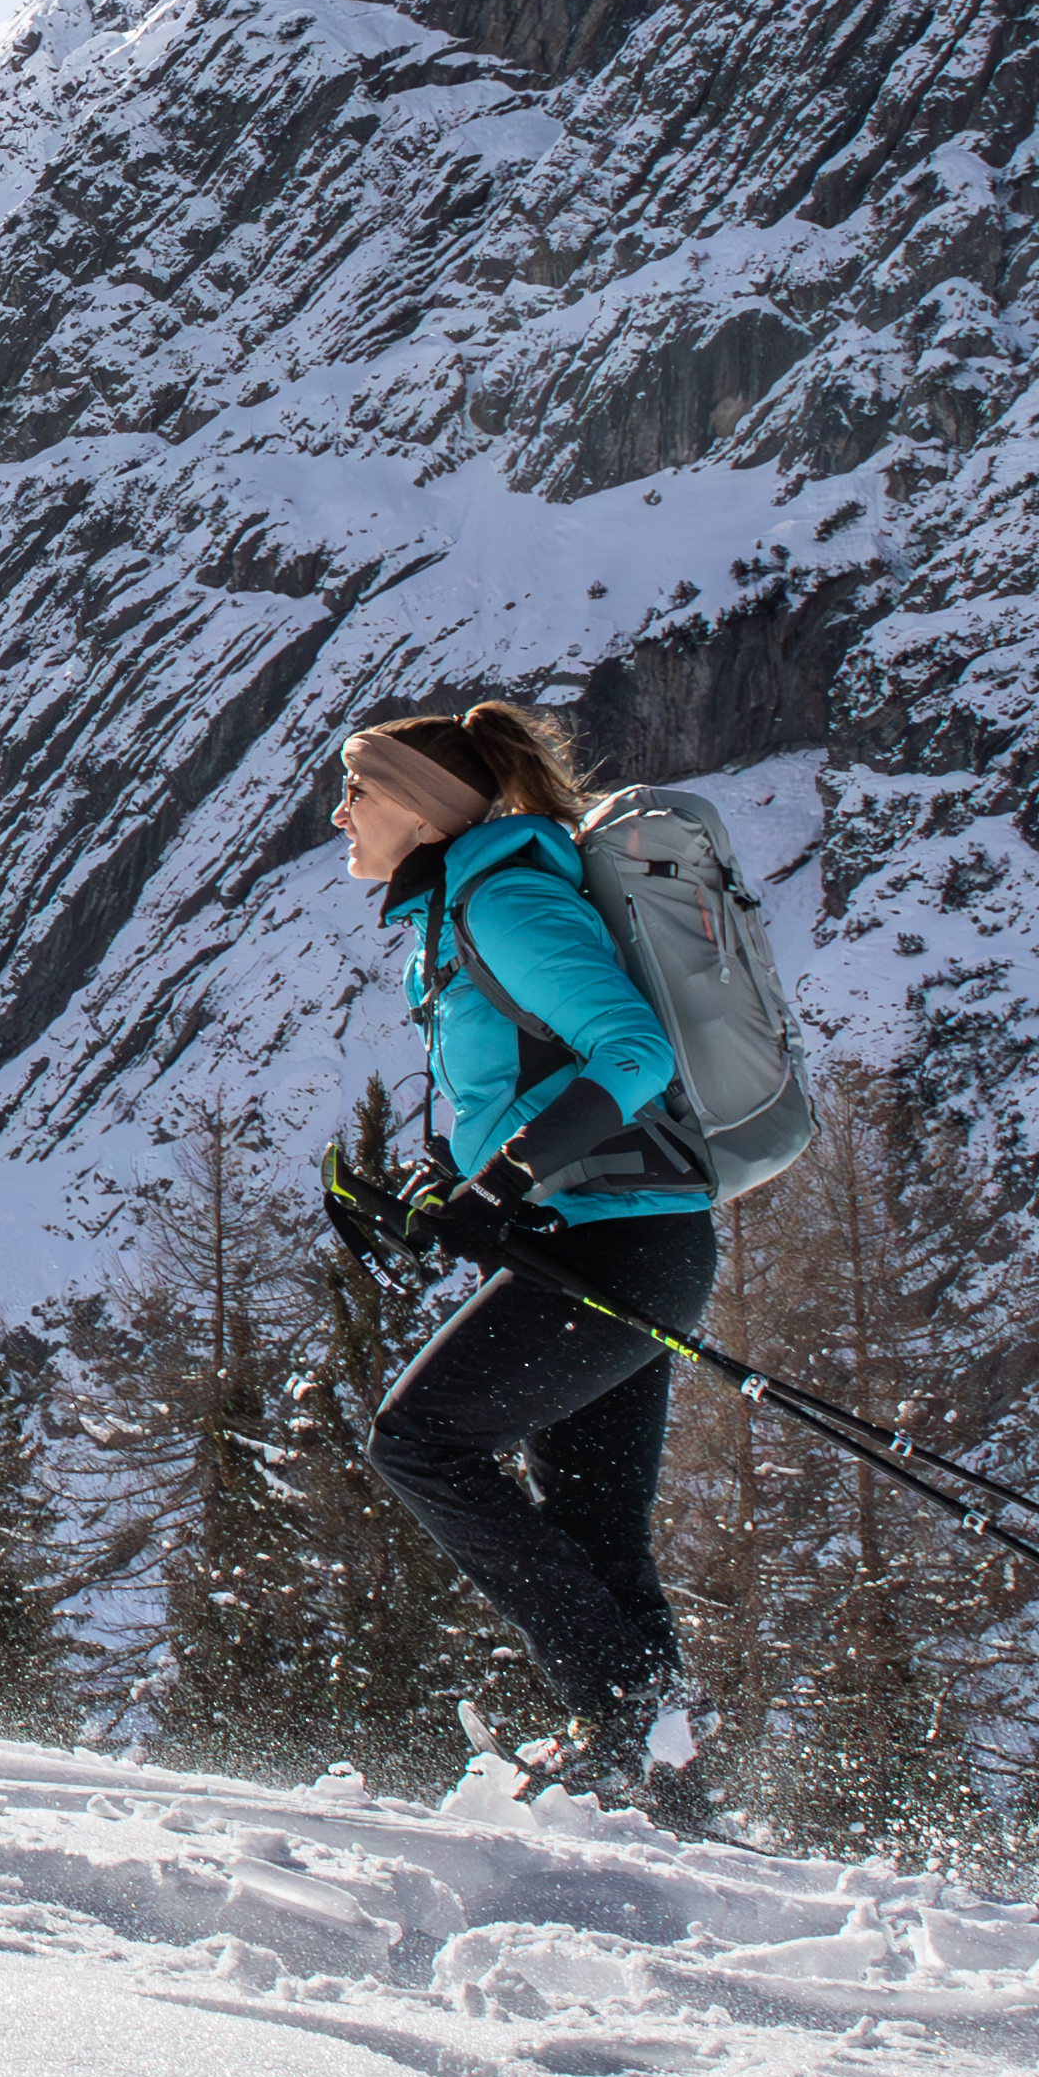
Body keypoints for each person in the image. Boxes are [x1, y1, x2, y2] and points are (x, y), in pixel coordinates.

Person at [318, 696, 721, 1796]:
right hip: (597, 1239)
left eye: (356, 791)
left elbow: (629, 1051)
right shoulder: (458, 911)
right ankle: (655, 1772)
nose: (339, 814)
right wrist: (443, 1189)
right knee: (594, 1523)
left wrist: (501, 1180)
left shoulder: (505, 903)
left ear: (414, 808)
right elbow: (525, 1084)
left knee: (419, 1443)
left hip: (618, 1246)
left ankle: (620, 1717)